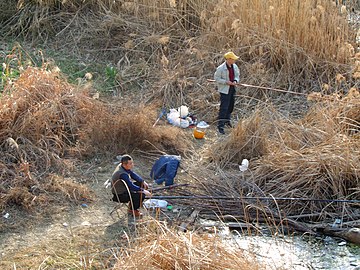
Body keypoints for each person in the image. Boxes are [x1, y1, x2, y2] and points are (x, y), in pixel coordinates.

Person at [214, 51, 240, 134]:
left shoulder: (234, 66)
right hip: (224, 90)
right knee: (224, 107)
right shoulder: (220, 68)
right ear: (228, 59)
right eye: (233, 59)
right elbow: (217, 78)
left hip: (232, 88)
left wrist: (235, 81)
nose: (234, 61)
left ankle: (227, 121)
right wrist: (226, 82)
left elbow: (237, 75)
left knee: (230, 106)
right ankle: (220, 126)